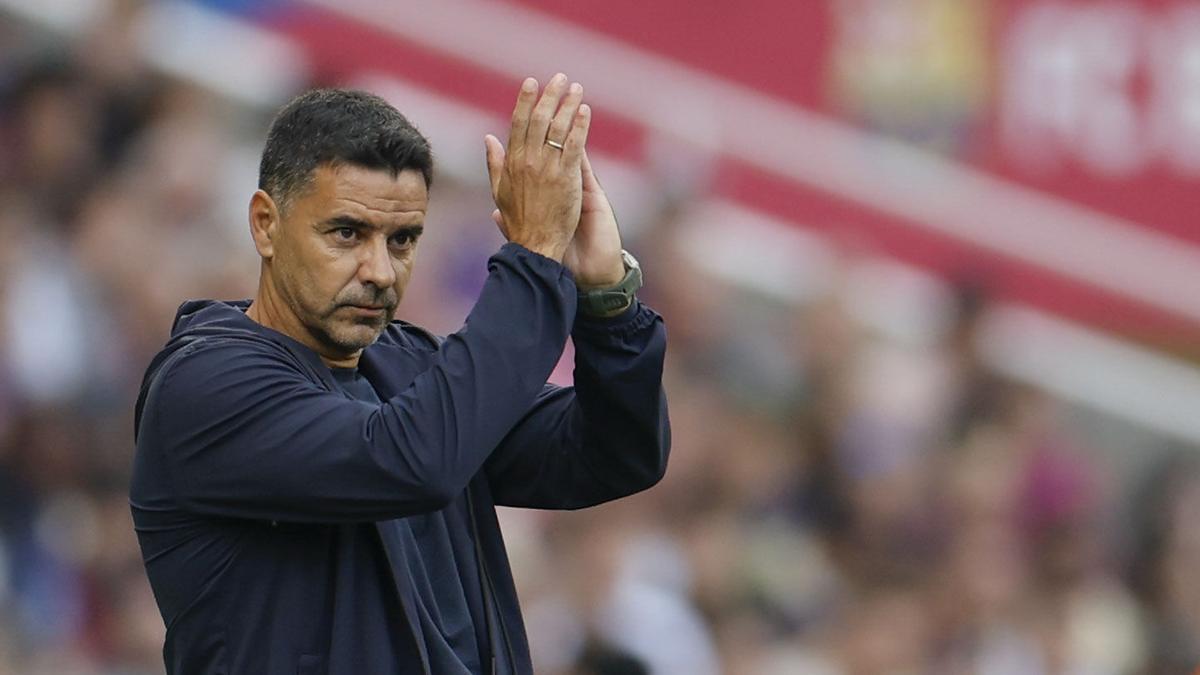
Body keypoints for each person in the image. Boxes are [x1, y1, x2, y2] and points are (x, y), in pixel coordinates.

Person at [129, 74, 670, 675]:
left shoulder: (410, 368)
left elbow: (614, 454)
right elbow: (413, 459)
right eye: (347, 233)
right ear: (265, 224)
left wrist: (605, 300)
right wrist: (535, 254)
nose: (380, 271)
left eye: (403, 239)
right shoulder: (207, 384)